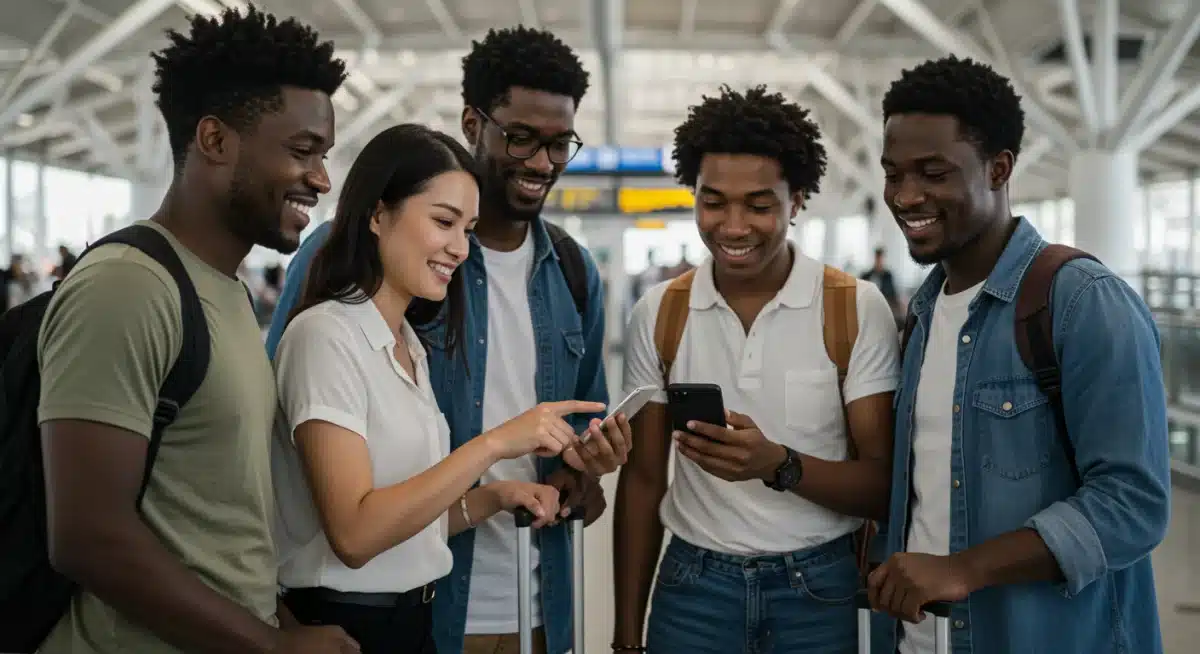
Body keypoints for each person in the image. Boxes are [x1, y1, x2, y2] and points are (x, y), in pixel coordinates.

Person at [265, 26, 632, 654]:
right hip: (395, 608)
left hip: (527, 593)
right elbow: (284, 456)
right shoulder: (335, 291)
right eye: (521, 137)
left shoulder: (571, 274)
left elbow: (580, 452)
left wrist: (585, 470)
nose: (542, 162)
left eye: (559, 144)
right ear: (474, 121)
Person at [35, 6, 359, 654]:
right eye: (302, 151)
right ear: (214, 141)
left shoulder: (224, 291)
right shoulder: (128, 288)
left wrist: (279, 625)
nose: (322, 179)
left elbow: (210, 522)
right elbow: (87, 536)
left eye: (324, 155)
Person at [867, 55, 1169, 654]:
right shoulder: (922, 317)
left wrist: (964, 568)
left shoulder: (1083, 302)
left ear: (999, 168)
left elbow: (1133, 504)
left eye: (933, 173)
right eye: (893, 174)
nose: (906, 196)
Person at [613, 85, 900, 654]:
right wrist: (626, 636)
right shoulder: (661, 312)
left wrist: (779, 464)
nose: (733, 225)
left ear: (796, 202)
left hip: (817, 593)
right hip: (693, 590)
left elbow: (881, 484)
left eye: (759, 205)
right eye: (713, 201)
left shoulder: (852, 307)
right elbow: (645, 480)